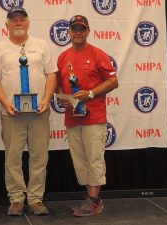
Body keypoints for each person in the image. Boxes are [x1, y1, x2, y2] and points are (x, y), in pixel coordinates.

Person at [0, 6, 57, 216]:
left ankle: (36, 199)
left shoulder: (42, 45)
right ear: (7, 25)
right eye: (14, 19)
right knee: (12, 158)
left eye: (22, 19)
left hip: (39, 112)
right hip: (11, 113)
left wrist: (47, 99)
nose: (18, 22)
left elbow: (52, 74)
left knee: (39, 157)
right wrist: (5, 102)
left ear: (28, 23)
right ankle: (17, 199)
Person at [57, 15, 118, 217]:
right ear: (69, 32)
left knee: (94, 159)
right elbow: (59, 84)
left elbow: (113, 81)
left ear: (88, 31)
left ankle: (94, 201)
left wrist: (90, 93)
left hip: (94, 117)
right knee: (80, 160)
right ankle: (89, 198)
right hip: (72, 117)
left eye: (82, 29)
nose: (78, 32)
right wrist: (61, 98)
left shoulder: (97, 53)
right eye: (74, 29)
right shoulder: (63, 56)